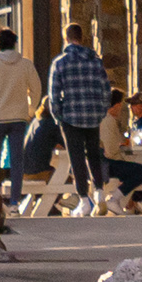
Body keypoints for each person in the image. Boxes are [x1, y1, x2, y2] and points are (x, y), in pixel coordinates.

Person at [0, 26, 43, 199]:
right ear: (14, 43)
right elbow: (36, 89)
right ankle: (14, 202)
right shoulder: (25, 64)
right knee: (17, 162)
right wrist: (30, 111)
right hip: (18, 119)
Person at [46, 29, 109, 203]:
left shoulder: (60, 63)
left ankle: (83, 198)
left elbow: (54, 94)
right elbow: (105, 90)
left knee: (77, 157)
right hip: (92, 115)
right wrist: (101, 112)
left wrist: (58, 117)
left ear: (65, 38)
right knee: (94, 153)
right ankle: (99, 190)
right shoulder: (96, 62)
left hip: (71, 116)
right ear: (82, 38)